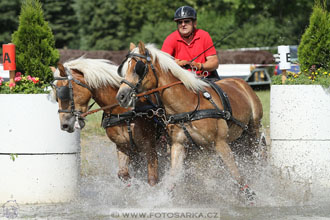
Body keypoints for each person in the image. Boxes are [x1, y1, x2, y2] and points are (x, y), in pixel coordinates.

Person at [161, 6, 220, 80]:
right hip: (181, 80)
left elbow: (214, 62)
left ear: (194, 23)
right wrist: (177, 63)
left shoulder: (204, 35)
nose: (183, 24)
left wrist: (199, 66)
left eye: (186, 21)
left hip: (205, 78)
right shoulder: (170, 39)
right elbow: (162, 63)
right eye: (180, 22)